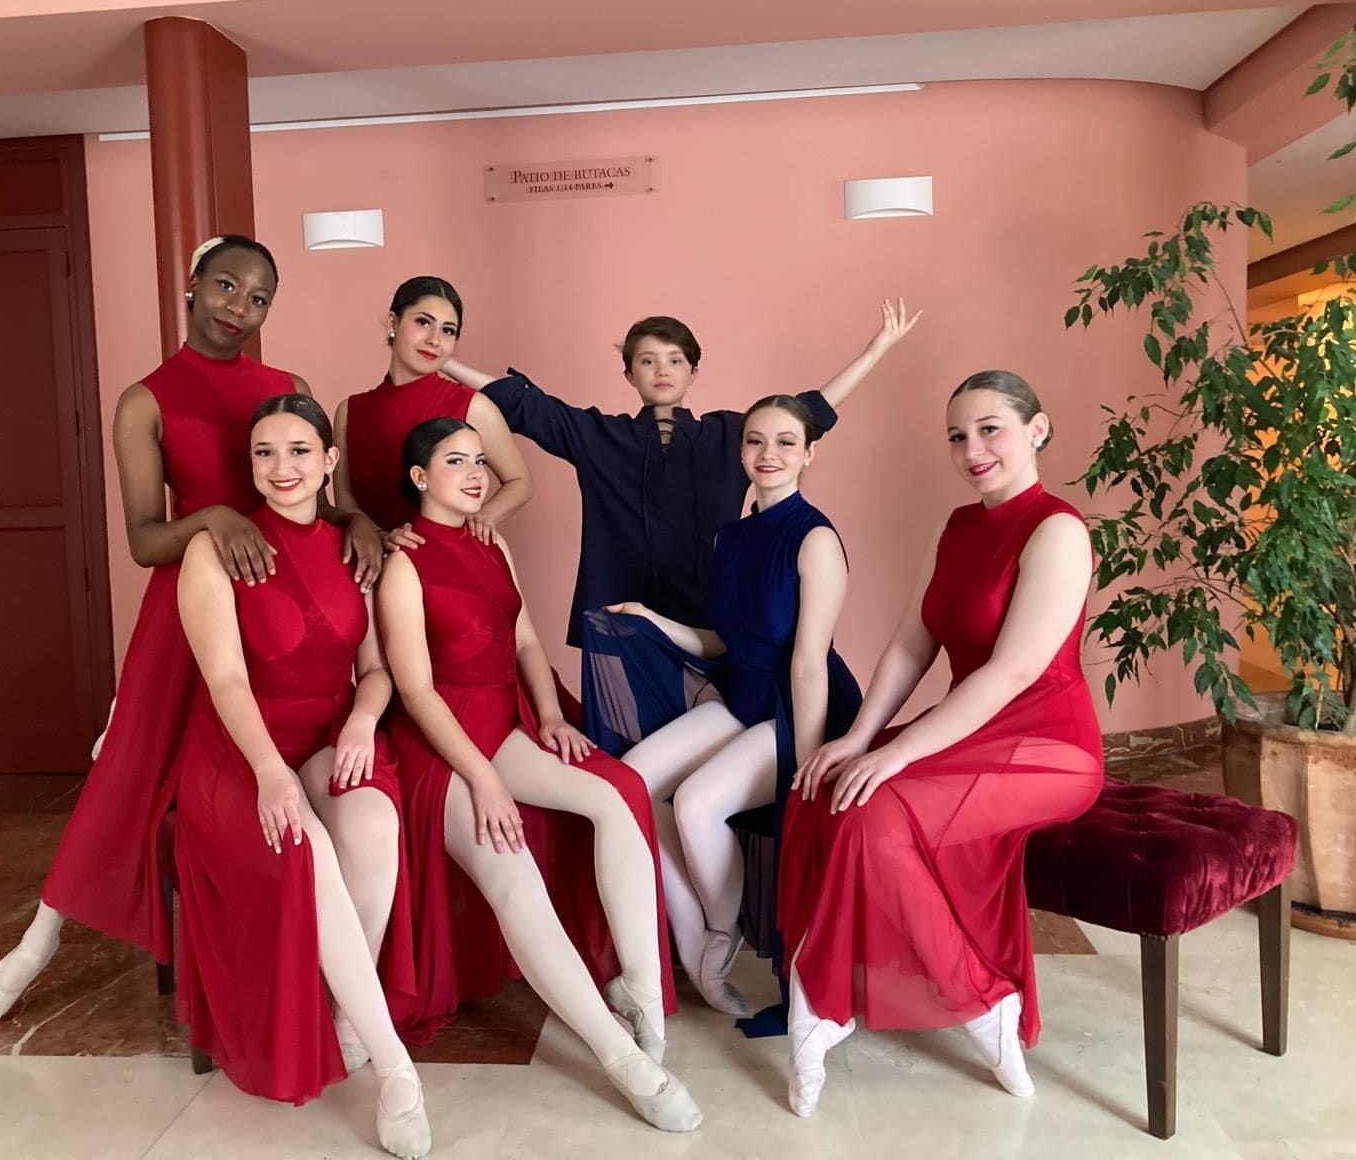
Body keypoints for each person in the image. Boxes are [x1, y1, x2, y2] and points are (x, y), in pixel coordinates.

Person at [0, 235, 379, 1029]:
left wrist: (358, 518)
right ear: (191, 287)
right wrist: (215, 518)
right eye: (225, 286)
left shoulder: (286, 385)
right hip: (185, 618)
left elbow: (321, 492)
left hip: (283, 609)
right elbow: (143, 538)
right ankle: (36, 943)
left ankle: (320, 967)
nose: (238, 308)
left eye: (258, 299)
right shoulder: (144, 399)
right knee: (124, 783)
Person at [778, 370, 1105, 1116]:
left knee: (876, 812)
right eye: (958, 435)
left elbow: (1016, 669)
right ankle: (821, 996)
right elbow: (907, 646)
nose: (971, 448)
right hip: (971, 732)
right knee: (819, 786)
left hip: (1049, 747)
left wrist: (895, 754)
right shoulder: (955, 526)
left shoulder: (1058, 529)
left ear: (1037, 428)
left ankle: (975, 1001)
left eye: (990, 427)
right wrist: (857, 737)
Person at [375, 418, 701, 1133]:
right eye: (453, 460)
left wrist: (550, 715)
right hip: (442, 747)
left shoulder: (494, 542)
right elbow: (417, 691)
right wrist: (484, 780)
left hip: (507, 723)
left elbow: (524, 636)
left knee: (620, 797)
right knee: (511, 864)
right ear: (419, 477)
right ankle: (622, 1060)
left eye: (480, 460)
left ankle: (644, 996)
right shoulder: (404, 563)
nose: (475, 472)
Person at [439, 301, 917, 754]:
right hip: (623, 624)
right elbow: (526, 406)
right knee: (630, 750)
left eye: (674, 360)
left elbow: (805, 413)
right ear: (629, 374)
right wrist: (447, 361)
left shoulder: (732, 436)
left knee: (713, 751)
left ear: (693, 371)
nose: (662, 370)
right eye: (647, 361)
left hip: (707, 625)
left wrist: (875, 351)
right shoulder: (599, 437)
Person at [173, 394, 427, 1157]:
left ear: (329, 461)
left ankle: (349, 1017)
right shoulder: (215, 551)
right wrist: (267, 773)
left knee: (376, 823)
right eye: (263, 453)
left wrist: (359, 722)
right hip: (238, 751)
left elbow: (376, 669)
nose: (281, 469)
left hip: (328, 732)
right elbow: (224, 681)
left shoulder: (356, 546)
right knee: (307, 846)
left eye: (297, 451)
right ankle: (396, 1068)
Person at [604, 395, 861, 1019]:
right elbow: (722, 641)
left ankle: (720, 940)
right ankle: (698, 940)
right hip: (742, 694)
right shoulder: (732, 534)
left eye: (784, 442)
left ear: (809, 453)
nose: (767, 455)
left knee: (695, 803)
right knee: (626, 789)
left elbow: (806, 663)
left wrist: (806, 764)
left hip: (802, 706)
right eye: (754, 441)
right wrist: (652, 621)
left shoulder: (816, 538)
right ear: (741, 450)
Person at [334, 276, 532, 547]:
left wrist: (484, 516)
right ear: (393, 322)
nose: (435, 340)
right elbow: (346, 503)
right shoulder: (350, 411)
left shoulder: (474, 407)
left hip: (450, 561)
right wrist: (381, 537)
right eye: (423, 322)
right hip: (374, 566)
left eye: (448, 330)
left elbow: (520, 481)